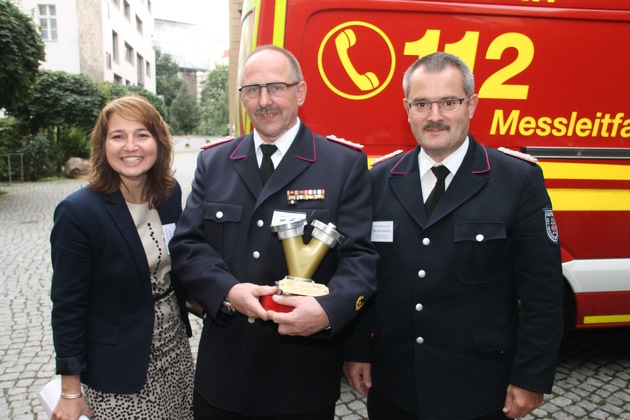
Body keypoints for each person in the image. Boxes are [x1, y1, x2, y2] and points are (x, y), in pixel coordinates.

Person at [343, 52, 563, 420]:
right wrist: (356, 350)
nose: (434, 117)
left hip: (478, 391)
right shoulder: (377, 181)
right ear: (406, 108)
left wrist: (531, 377)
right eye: (422, 104)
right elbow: (363, 277)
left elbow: (542, 293)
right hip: (395, 388)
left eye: (449, 102)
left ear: (472, 104)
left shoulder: (516, 180)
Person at [169, 45, 379, 419]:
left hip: (301, 377)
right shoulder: (214, 161)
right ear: (241, 98)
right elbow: (188, 246)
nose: (264, 100)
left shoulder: (342, 164)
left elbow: (360, 259)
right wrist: (227, 291)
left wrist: (328, 311)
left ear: (300, 92)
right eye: (253, 90)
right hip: (225, 377)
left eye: (276, 87)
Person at [50, 96, 194, 420]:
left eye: (142, 134)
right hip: (119, 369)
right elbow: (68, 306)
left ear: (158, 141)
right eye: (118, 136)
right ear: (104, 145)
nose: (131, 146)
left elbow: (181, 263)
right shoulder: (79, 213)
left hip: (175, 353)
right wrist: (70, 392)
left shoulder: (169, 195)